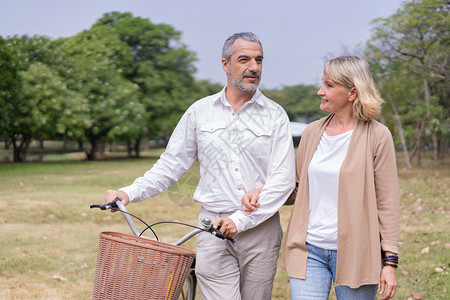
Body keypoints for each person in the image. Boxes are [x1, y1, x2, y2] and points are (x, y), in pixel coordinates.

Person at [105, 32, 296, 299]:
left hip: (260, 231)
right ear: (225, 65)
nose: (254, 67)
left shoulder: (275, 115)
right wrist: (129, 192)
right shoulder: (199, 111)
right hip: (211, 229)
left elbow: (283, 180)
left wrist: (239, 221)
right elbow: (171, 164)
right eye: (244, 60)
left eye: (259, 60)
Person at [242, 56, 400, 300]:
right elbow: (294, 188)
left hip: (356, 253)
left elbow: (387, 203)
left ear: (352, 93)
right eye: (322, 83)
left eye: (328, 85)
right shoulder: (312, 132)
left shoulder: (378, 136)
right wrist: (263, 192)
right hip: (309, 250)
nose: (320, 91)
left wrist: (390, 262)